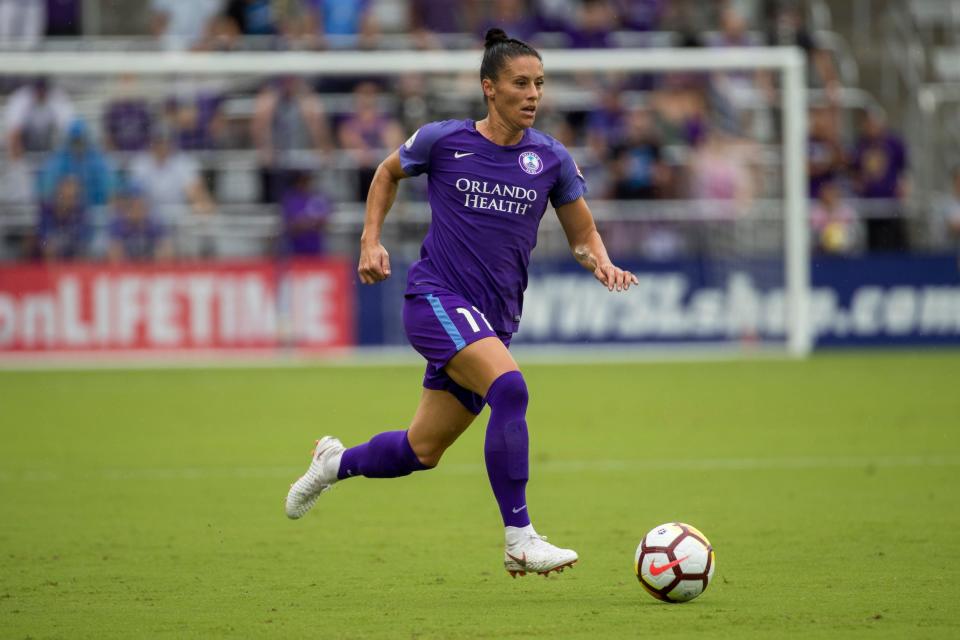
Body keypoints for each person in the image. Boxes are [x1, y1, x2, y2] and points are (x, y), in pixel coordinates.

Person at [285, 28, 637, 578]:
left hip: (491, 320)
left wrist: (602, 262)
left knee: (419, 451)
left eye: (539, 84)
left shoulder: (550, 159)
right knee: (510, 388)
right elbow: (386, 172)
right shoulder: (444, 140)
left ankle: (334, 463)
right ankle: (520, 539)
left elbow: (581, 236)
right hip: (435, 299)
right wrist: (370, 240)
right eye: (520, 83)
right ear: (489, 89)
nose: (533, 94)